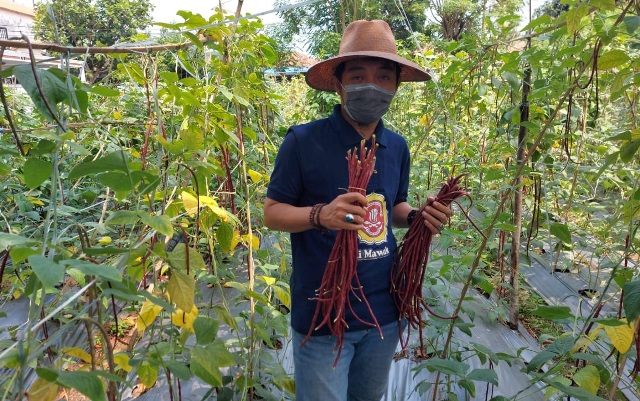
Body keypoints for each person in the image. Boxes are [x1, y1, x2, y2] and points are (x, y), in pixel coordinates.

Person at [263, 20, 452, 401]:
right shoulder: (303, 140)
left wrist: (417, 217)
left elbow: (393, 207)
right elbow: (272, 213)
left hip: (384, 311)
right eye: (359, 75)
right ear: (339, 82)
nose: (372, 85)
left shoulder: (396, 146)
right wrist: (320, 214)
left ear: (396, 86)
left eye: (384, 76)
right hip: (322, 316)